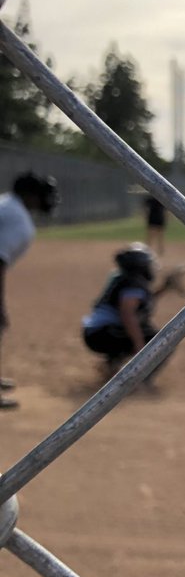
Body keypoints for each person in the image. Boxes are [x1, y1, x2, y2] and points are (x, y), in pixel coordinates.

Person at [82, 243, 184, 381]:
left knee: (141, 331)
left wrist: (165, 288)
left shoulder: (123, 279)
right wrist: (140, 347)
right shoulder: (133, 284)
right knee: (162, 341)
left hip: (98, 332)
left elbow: (138, 303)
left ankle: (111, 369)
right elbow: (128, 314)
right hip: (104, 334)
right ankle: (139, 380)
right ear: (140, 266)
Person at [0, 171, 59, 410]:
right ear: (29, 196)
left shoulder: (7, 204)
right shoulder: (19, 220)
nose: (45, 199)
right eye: (41, 195)